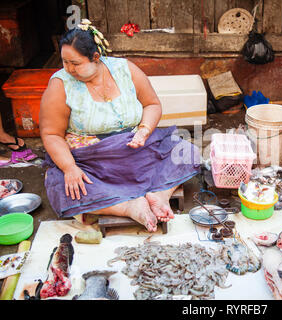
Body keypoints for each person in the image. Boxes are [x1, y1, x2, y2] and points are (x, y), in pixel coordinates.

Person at [40, 20, 200, 232]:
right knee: (62, 184)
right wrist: (70, 168)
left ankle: (159, 195)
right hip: (93, 161)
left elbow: (152, 104)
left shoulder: (125, 70)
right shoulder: (60, 84)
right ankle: (128, 206)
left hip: (137, 150)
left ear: (96, 58)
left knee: (188, 152)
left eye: (75, 63)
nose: (68, 69)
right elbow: (51, 134)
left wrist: (144, 130)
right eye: (64, 62)